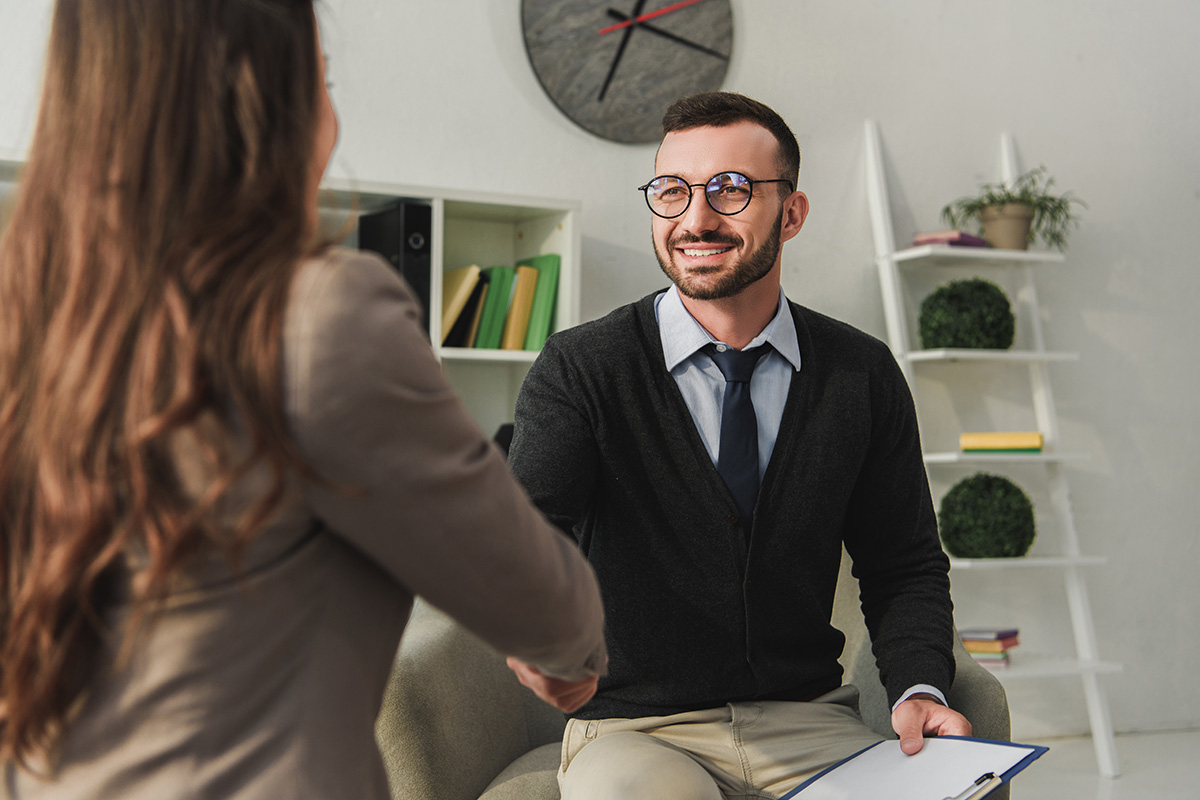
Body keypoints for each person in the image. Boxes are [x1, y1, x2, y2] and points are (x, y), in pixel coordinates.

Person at [0, 2, 605, 798]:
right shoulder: (319, 314)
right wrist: (566, 652)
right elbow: (544, 604)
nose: (332, 117)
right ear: (262, 100)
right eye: (320, 81)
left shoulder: (30, 320)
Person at [505, 91, 970, 799]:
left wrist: (919, 687)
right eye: (672, 190)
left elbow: (902, 563)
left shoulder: (862, 374)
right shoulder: (582, 368)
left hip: (811, 721)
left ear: (792, 213)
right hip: (636, 732)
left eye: (730, 189)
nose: (696, 219)